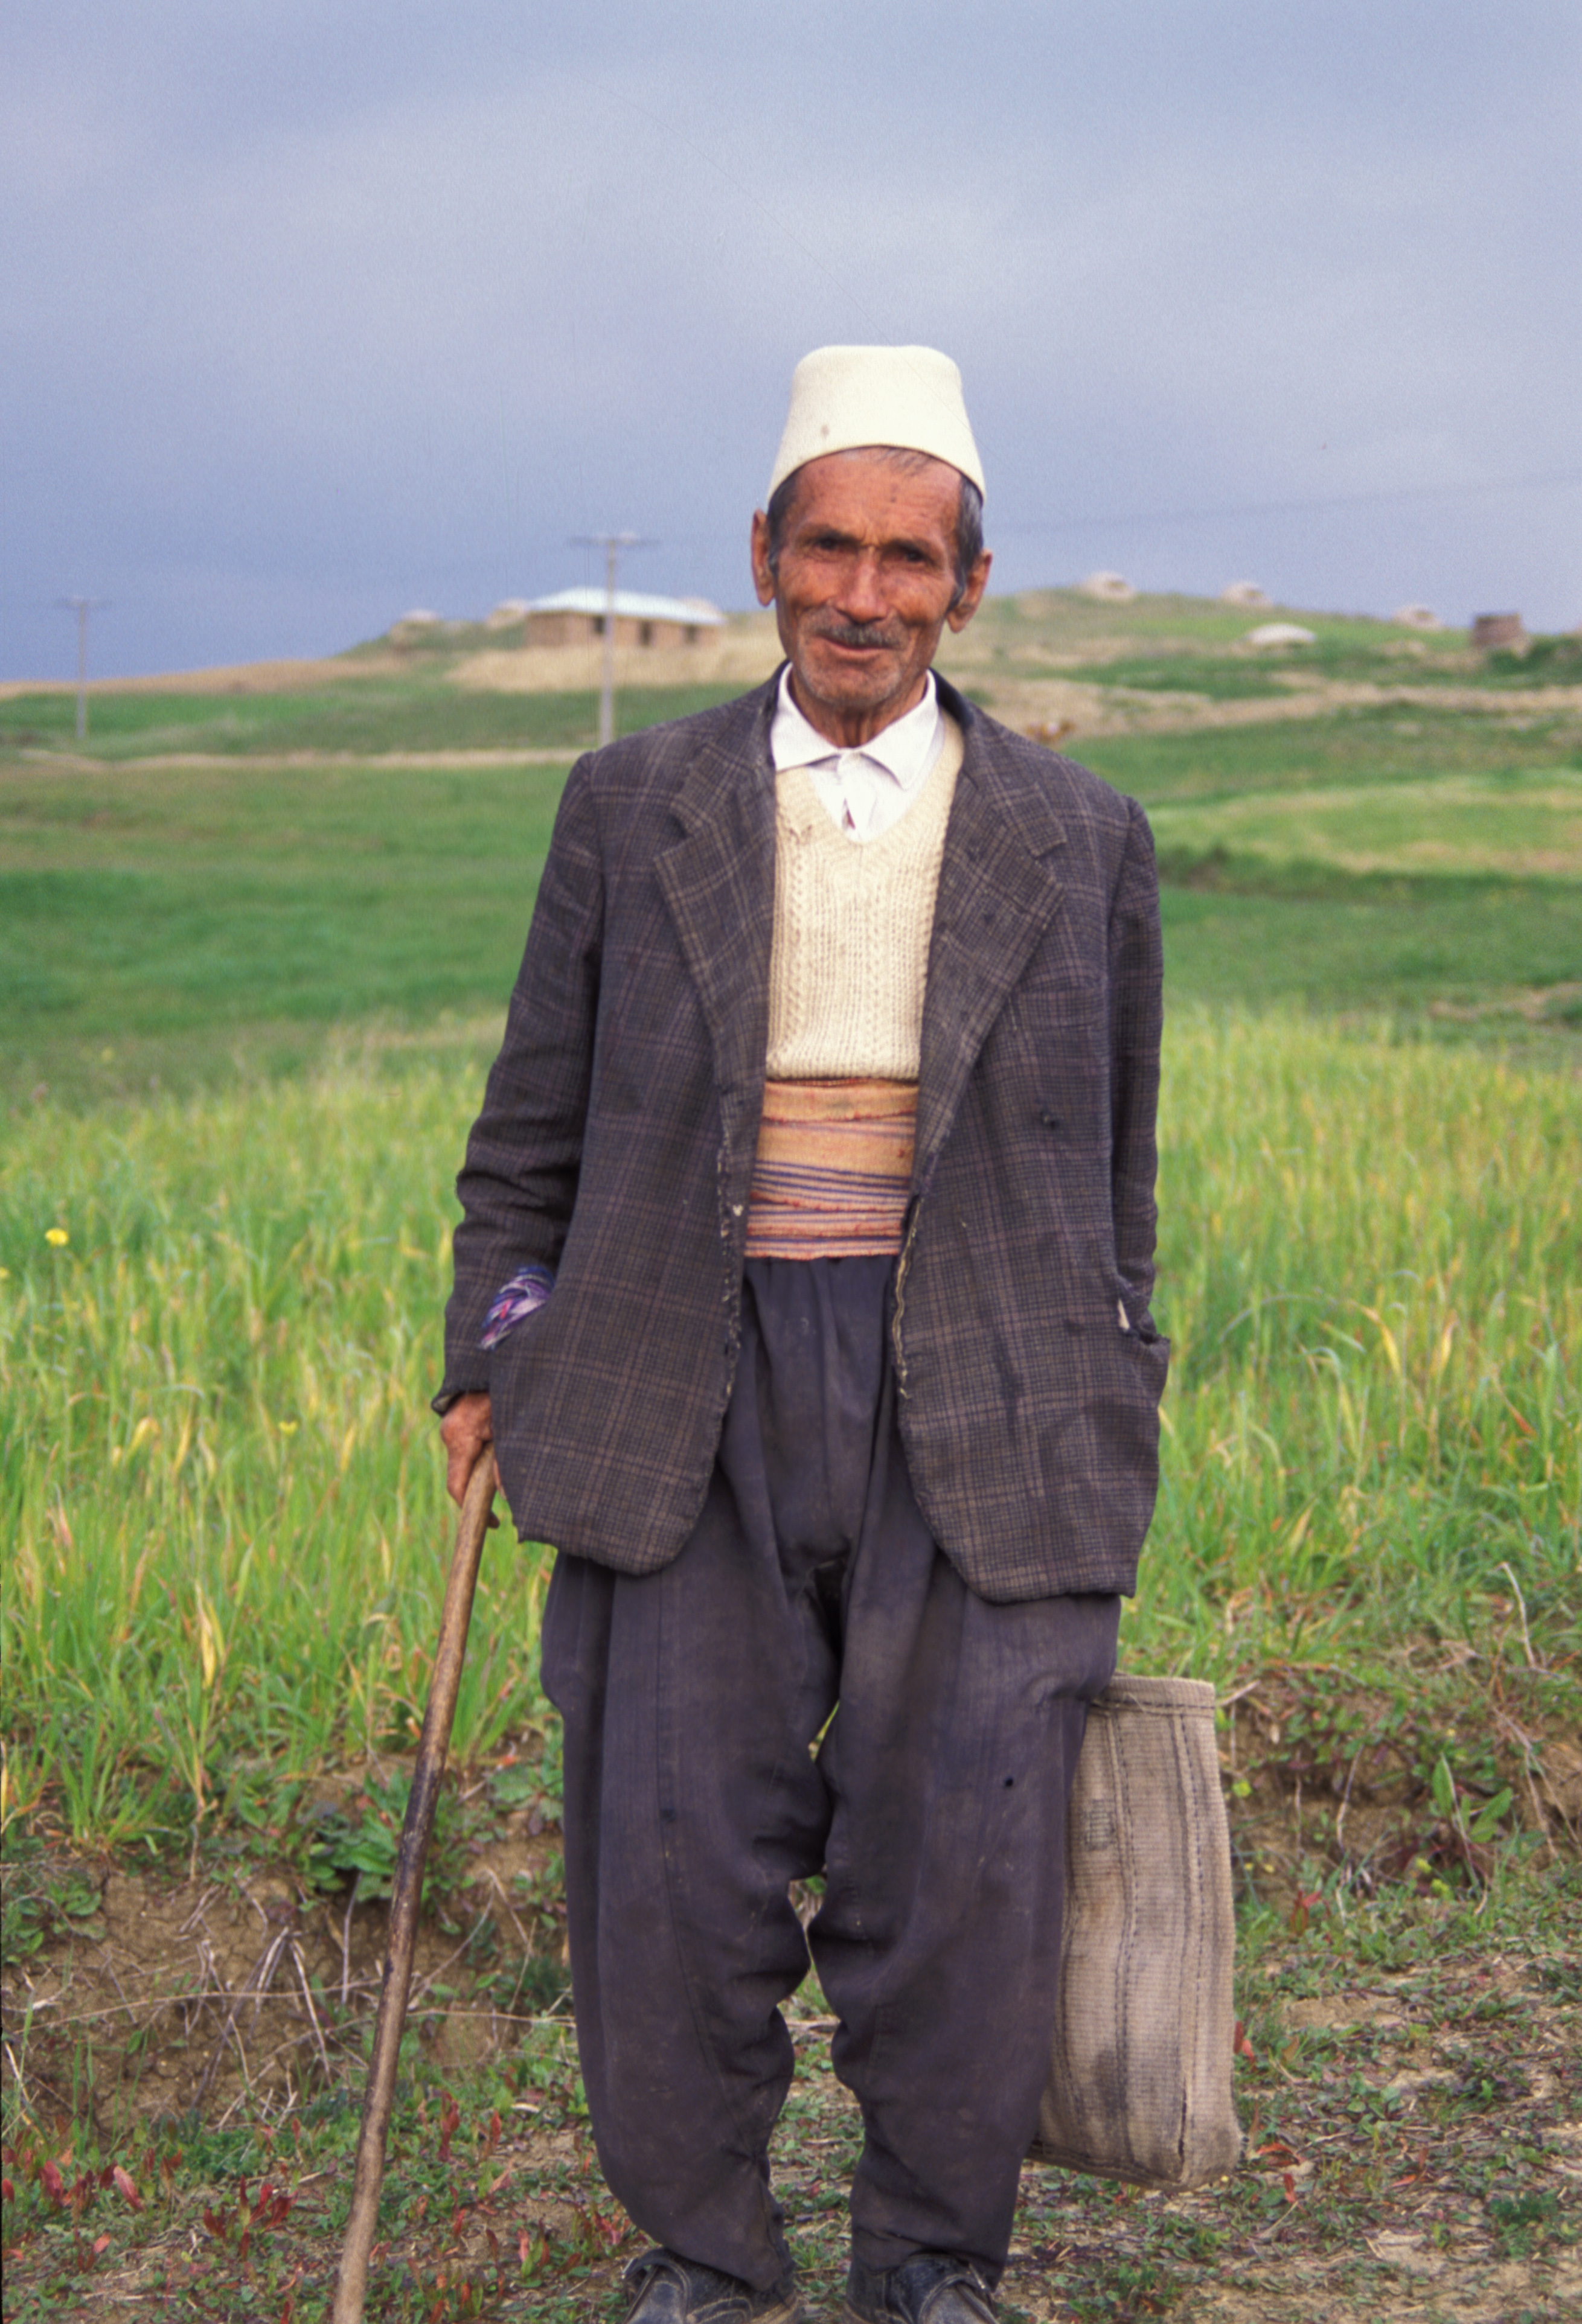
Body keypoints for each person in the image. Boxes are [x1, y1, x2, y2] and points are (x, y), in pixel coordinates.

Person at [436, 346, 1168, 2324]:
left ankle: (932, 2255)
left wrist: (1119, 1373)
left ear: (970, 585)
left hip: (987, 1387)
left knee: (966, 1849)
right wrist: (489, 1347)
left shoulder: (1080, 835)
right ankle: (703, 2248)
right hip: (685, 1367)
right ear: (760, 556)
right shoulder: (630, 802)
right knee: (668, 1837)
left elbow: (1119, 1170)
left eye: (906, 558)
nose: (863, 592)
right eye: (826, 546)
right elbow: (527, 1132)